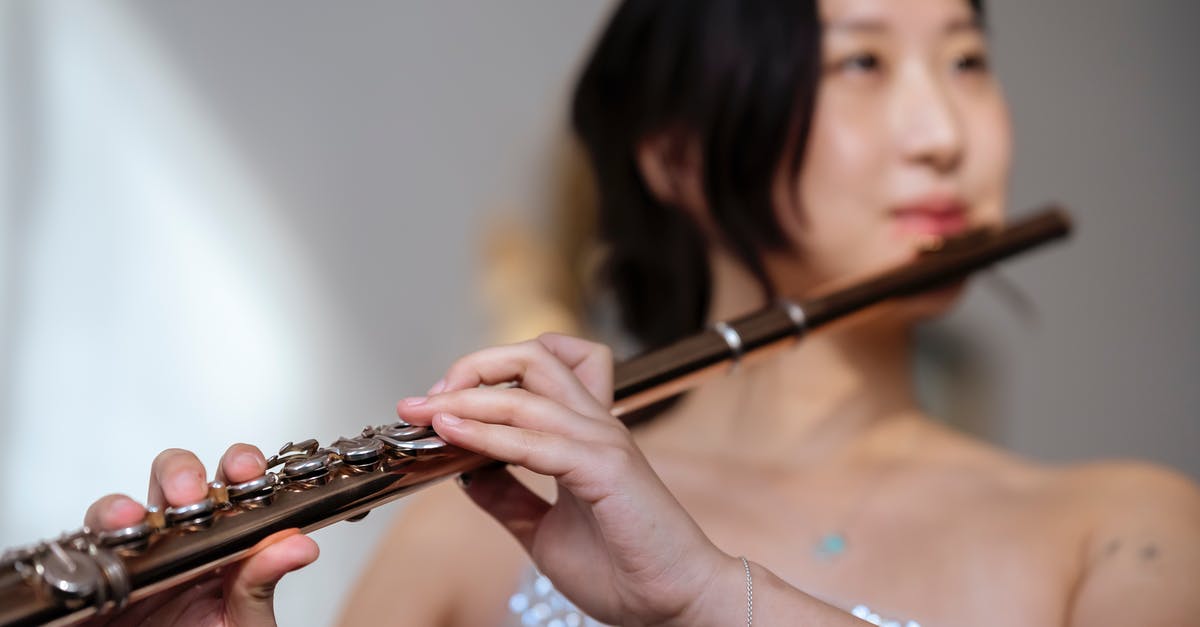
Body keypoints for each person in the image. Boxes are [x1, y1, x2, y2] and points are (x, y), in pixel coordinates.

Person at [86, 0, 1200, 624]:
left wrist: (709, 598)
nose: (943, 133)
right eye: (863, 61)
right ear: (674, 151)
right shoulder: (470, 535)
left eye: (967, 59)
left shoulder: (1127, 526)